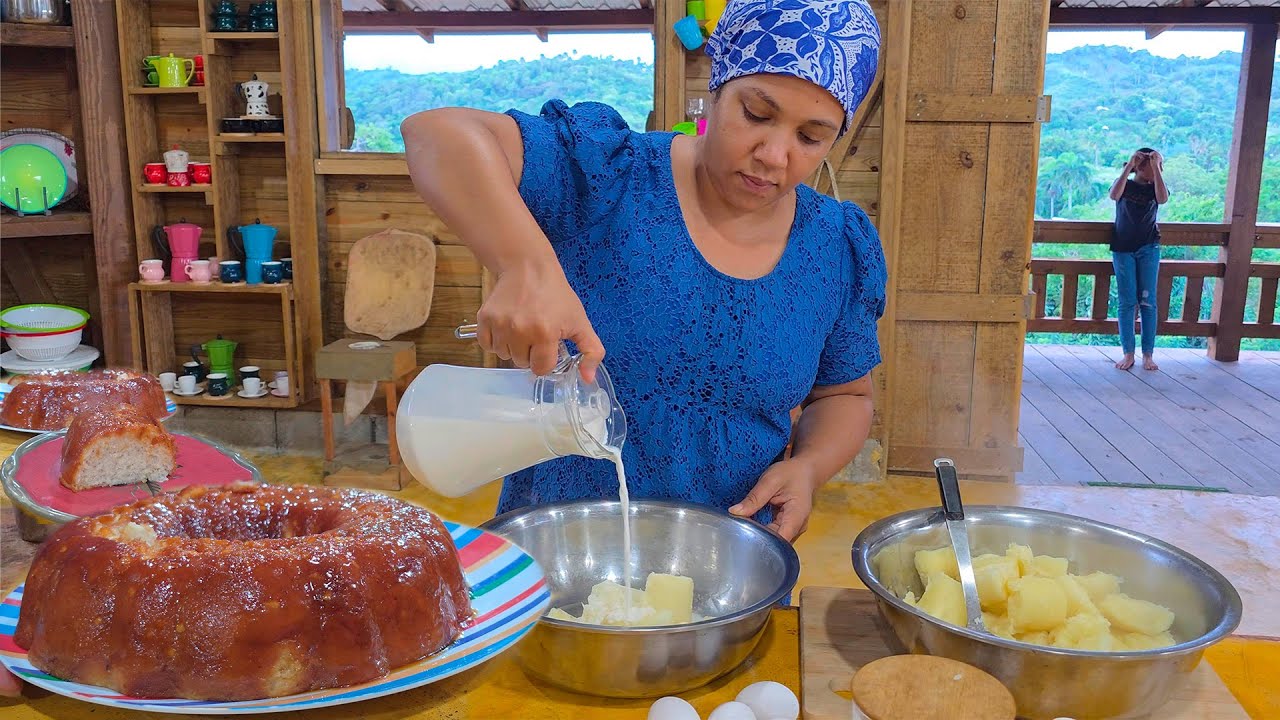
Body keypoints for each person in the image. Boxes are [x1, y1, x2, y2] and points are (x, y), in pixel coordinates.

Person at [401, 0, 887, 542]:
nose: (775, 155)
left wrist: (809, 467)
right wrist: (524, 268)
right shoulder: (609, 175)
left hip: (726, 560)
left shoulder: (834, 247)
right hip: (560, 544)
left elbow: (845, 395)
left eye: (810, 137)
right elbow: (436, 134)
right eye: (756, 114)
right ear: (718, 87)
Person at [1107, 147, 1168, 371]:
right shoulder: (1126, 183)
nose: (1156, 169)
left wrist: (1156, 167)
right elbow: (1114, 194)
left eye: (1159, 166)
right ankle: (1128, 353)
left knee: (1148, 302)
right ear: (1140, 168)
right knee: (1127, 302)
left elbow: (1163, 199)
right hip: (1123, 248)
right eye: (1152, 166)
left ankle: (1148, 354)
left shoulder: (1156, 188)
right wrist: (1130, 166)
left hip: (1148, 247)